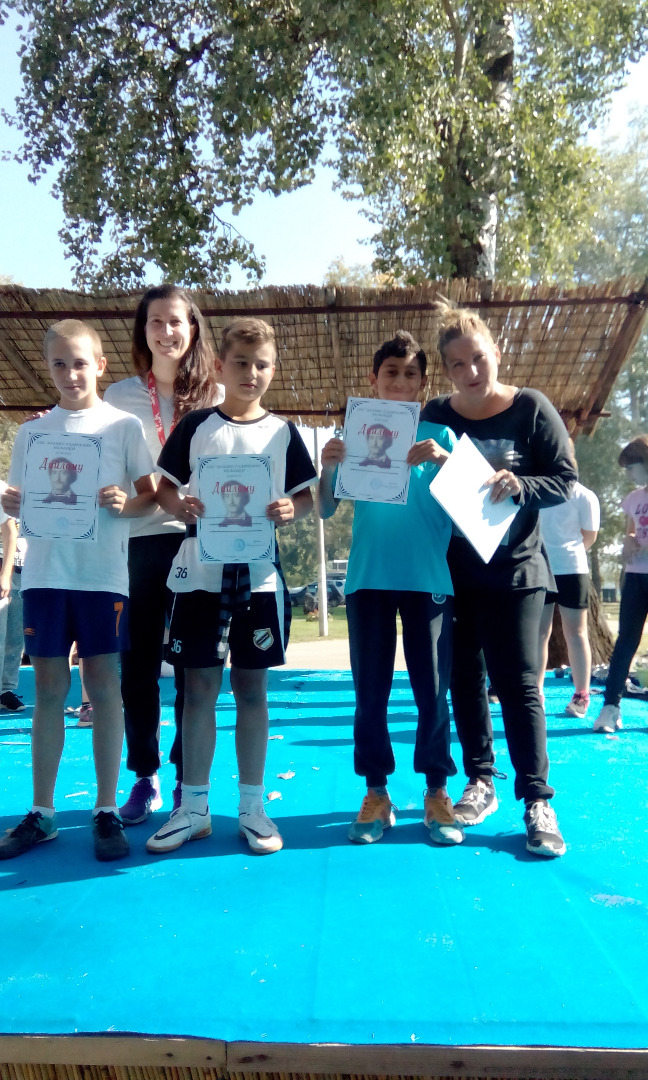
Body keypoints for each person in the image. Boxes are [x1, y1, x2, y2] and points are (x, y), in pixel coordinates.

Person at [145, 316, 316, 856]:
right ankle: (193, 808)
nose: (251, 373)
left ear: (273, 370)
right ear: (220, 367)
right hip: (199, 576)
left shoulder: (283, 432)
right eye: (240, 362)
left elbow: (306, 497)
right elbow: (164, 489)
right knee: (198, 689)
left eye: (261, 364)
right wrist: (181, 505)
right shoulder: (196, 425)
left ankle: (252, 807)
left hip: (258, 581)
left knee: (251, 691)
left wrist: (292, 507)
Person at [421, 306, 576, 857]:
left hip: (517, 571)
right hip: (454, 572)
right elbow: (410, 478)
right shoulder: (436, 414)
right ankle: (480, 780)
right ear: (446, 370)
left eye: (478, 358)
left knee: (519, 684)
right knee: (465, 678)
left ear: (496, 353)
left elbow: (565, 480)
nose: (471, 372)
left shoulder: (530, 407)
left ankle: (537, 800)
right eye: (457, 364)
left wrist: (521, 485)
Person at [0, 319, 155, 862]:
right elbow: (18, 499)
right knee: (48, 688)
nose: (70, 374)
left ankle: (106, 809)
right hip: (45, 575)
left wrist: (125, 505)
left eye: (80, 362)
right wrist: (12, 502)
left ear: (101, 365)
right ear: (49, 368)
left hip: (101, 577)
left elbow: (150, 497)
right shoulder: (33, 433)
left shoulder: (123, 426)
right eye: (59, 364)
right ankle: (42, 812)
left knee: (103, 687)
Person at [319, 330, 461, 845]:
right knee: (370, 693)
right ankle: (376, 792)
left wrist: (445, 462)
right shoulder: (353, 435)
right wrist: (329, 465)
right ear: (373, 379)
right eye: (391, 372)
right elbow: (325, 507)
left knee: (433, 693)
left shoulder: (442, 437)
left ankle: (437, 790)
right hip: (369, 580)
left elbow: (473, 510)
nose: (400, 381)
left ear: (422, 383)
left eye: (410, 374)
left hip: (428, 582)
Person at [104, 284, 222, 823]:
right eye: (156, 321)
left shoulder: (216, 396)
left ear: (192, 328)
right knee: (138, 666)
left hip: (199, 541)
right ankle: (144, 775)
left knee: (192, 665)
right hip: (137, 542)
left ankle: (184, 776)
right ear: (143, 330)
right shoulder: (117, 397)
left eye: (177, 321)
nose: (167, 331)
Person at [538, 442, 600, 718]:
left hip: (573, 571)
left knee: (576, 633)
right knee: (539, 633)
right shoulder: (537, 492)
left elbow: (589, 536)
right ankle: (535, 693)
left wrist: (566, 554)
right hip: (540, 570)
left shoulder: (585, 496)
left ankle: (581, 694)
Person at [594, 436, 648, 733]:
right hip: (635, 576)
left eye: (631, 467)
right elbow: (630, 531)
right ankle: (610, 708)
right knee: (626, 640)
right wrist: (628, 541)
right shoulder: (634, 498)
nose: (627, 474)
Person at [0, 491, 25, 712]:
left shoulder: (3, 489)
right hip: (7, 571)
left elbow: (10, 530)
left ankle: (6, 689)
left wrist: (5, 574)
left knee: (15, 635)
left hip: (16, 569)